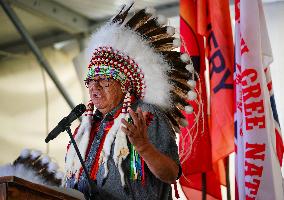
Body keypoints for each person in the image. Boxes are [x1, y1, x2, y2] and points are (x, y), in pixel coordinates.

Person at [64, 2, 196, 200]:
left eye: (104, 80)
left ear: (125, 84)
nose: (94, 86)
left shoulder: (144, 114)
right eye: (90, 80)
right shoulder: (88, 126)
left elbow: (171, 173)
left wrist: (144, 147)